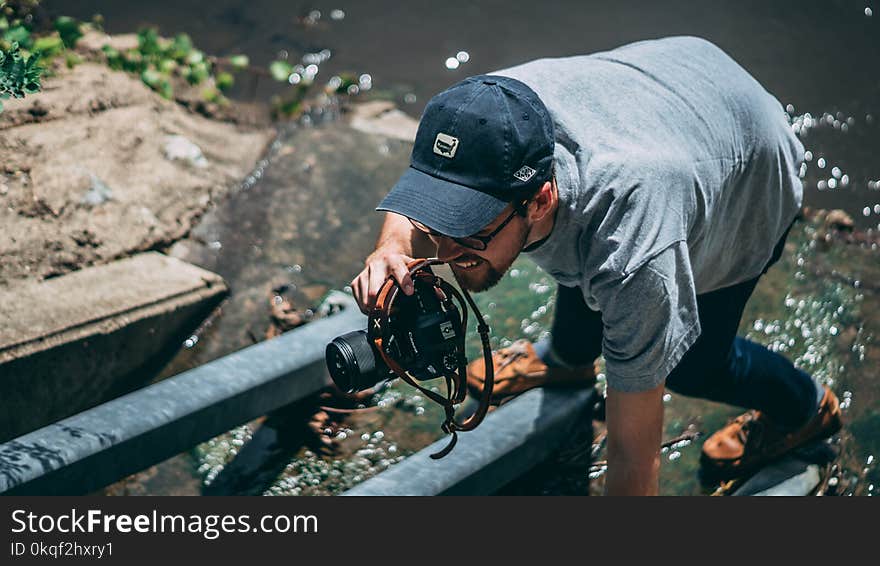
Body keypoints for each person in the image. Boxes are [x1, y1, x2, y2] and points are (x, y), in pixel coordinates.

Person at [351, 36, 842, 495]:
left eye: (470, 230)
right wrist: (391, 247)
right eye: (440, 216)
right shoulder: (480, 119)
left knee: (692, 361)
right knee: (576, 263)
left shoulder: (633, 252)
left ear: (540, 198)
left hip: (749, 153)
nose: (445, 252)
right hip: (672, 80)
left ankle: (805, 408)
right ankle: (569, 362)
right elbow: (428, 182)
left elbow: (633, 455)